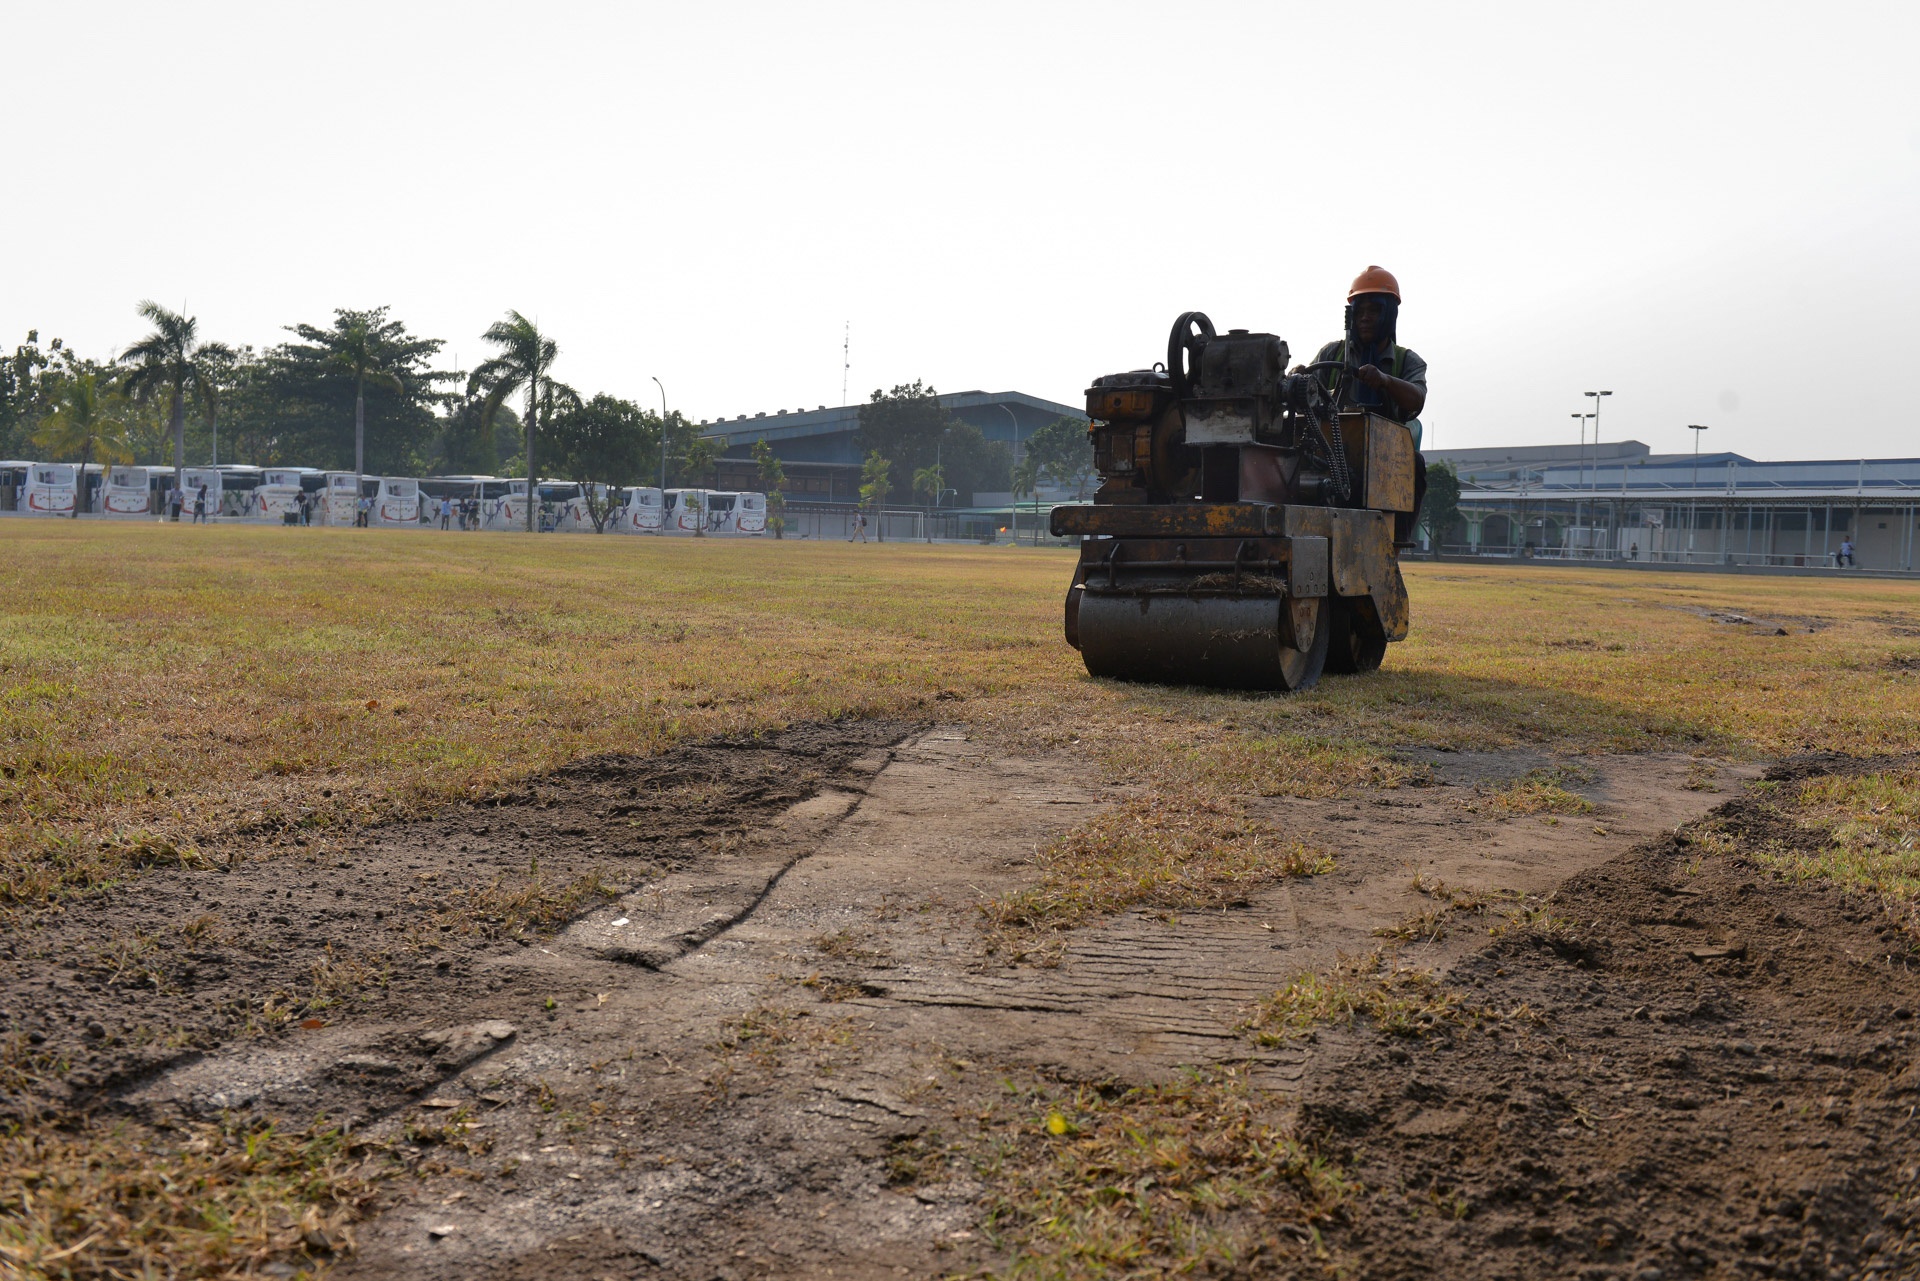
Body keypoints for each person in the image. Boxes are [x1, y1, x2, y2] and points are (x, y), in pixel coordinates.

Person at [1308, 265, 1428, 444]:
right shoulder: (1331, 354)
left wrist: (1385, 381)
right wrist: (1299, 379)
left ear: (1389, 314)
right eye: (1360, 311)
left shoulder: (1408, 361)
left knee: (1416, 464)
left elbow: (1416, 401)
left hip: (1388, 451)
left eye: (1373, 310)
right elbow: (1303, 397)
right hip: (1331, 449)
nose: (1364, 317)